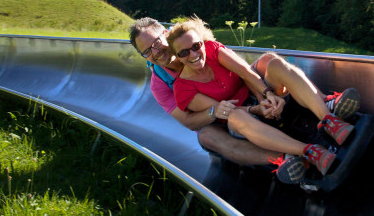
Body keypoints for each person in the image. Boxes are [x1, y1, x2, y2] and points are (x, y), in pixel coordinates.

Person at [129, 18, 359, 183]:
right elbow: (190, 121)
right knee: (209, 135)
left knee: (270, 60)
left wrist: (266, 95)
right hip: (228, 117)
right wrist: (221, 111)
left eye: (157, 42)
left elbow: (242, 72)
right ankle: (286, 157)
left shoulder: (203, 46)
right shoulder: (168, 86)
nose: (155, 52)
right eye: (147, 51)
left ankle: (327, 110)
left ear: (167, 35)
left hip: (247, 95)